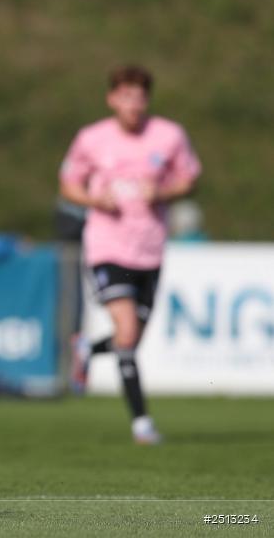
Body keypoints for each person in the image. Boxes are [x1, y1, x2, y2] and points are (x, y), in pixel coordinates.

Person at [60, 64, 201, 445]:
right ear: (111, 99)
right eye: (125, 96)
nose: (133, 104)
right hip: (107, 246)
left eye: (139, 97)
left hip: (150, 250)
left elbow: (189, 178)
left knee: (130, 340)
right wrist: (94, 199)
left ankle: (89, 347)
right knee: (126, 331)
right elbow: (69, 183)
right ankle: (142, 424)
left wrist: (165, 192)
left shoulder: (169, 135)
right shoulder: (92, 139)